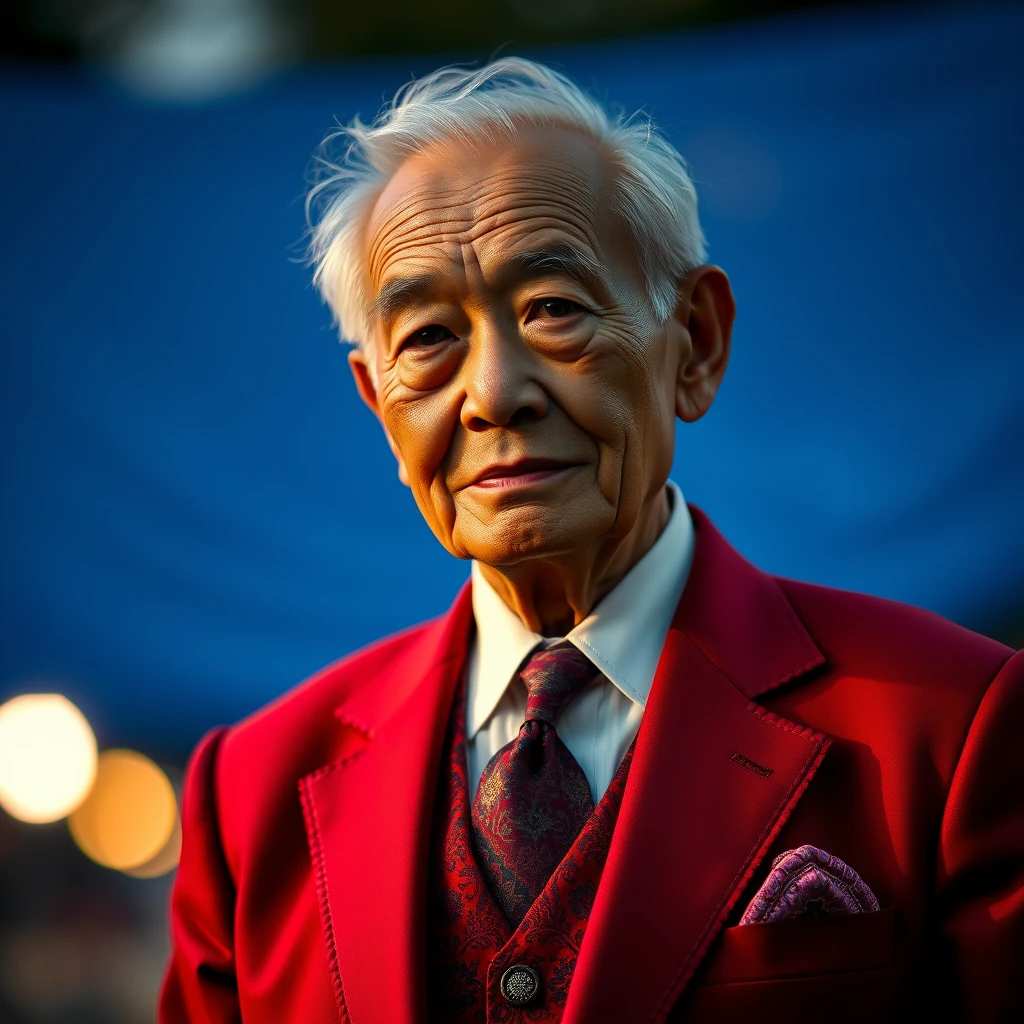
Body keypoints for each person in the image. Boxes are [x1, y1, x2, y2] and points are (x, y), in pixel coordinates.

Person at [159, 59, 1023, 1023]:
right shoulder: (251, 797)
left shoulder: (952, 729)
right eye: (429, 338)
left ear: (694, 343)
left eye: (554, 311)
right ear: (377, 402)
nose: (492, 394)